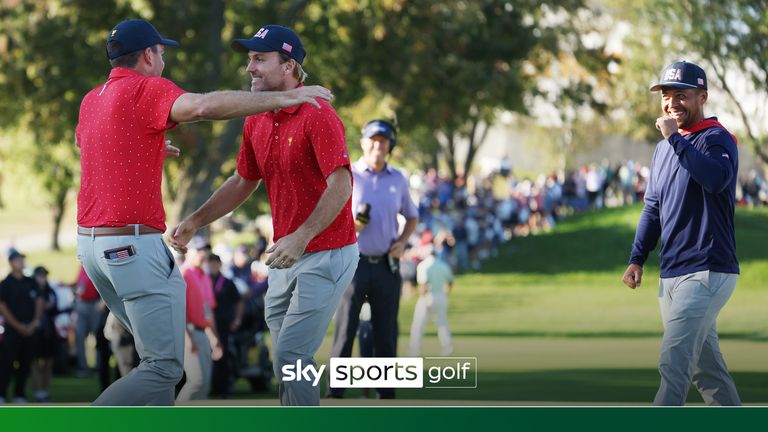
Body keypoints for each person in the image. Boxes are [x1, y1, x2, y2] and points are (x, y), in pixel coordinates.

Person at [74, 19, 332, 406]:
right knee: (163, 368)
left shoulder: (93, 99)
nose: (162, 61)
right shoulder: (148, 88)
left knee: (155, 366)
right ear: (148, 55)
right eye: (161, 53)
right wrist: (285, 98)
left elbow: (95, 150)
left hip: (91, 249)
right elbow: (203, 106)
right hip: (130, 248)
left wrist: (151, 151)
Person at [170, 24, 358, 406]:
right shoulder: (256, 117)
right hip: (284, 256)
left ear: (289, 65)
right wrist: (194, 221)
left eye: (260, 59)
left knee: (291, 357)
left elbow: (342, 185)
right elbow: (243, 181)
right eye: (249, 60)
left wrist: (302, 235)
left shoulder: (317, 114)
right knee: (283, 363)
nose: (250, 68)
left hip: (325, 252)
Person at [622, 61, 741, 406]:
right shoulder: (662, 149)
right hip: (671, 273)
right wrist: (637, 258)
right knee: (708, 373)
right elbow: (653, 208)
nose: (671, 103)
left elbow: (716, 179)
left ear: (702, 97)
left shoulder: (717, 138)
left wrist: (675, 138)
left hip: (707, 268)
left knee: (673, 364)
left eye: (681, 95)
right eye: (666, 95)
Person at [327, 119, 418, 399]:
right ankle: (335, 392)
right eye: (373, 141)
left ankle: (385, 392)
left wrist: (402, 242)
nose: (378, 146)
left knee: (385, 332)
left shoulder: (398, 179)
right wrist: (351, 227)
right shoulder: (348, 173)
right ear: (363, 143)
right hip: (353, 263)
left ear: (390, 147)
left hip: (386, 266)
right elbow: (327, 216)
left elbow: (412, 216)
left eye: (383, 142)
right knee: (345, 329)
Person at [176, 237, 221, 403]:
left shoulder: (205, 277)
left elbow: (208, 312)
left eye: (206, 250)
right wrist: (187, 338)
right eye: (199, 250)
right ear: (189, 251)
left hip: (203, 334)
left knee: (204, 385)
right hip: (189, 333)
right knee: (197, 381)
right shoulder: (183, 274)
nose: (204, 254)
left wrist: (214, 338)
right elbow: (177, 311)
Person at [0, 250, 43, 404]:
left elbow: (39, 301)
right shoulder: (5, 284)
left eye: (22, 260)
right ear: (11, 262)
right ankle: (2, 394)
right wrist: (18, 326)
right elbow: (2, 306)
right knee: (7, 363)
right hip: (13, 330)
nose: (21, 263)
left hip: (30, 328)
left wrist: (34, 323)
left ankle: (20, 394)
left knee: (26, 363)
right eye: (18, 260)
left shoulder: (30, 281)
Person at [208, 253, 244, 398]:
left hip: (224, 325)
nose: (212, 266)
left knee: (223, 356)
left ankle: (223, 389)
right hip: (208, 325)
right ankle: (211, 387)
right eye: (210, 263)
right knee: (209, 356)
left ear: (219, 264)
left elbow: (239, 302)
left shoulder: (227, 282)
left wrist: (237, 320)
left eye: (215, 263)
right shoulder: (204, 279)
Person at [409, 247, 454, 357]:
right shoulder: (443, 264)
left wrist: (424, 298)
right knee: (442, 323)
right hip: (440, 295)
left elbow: (423, 285)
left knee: (418, 324)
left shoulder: (423, 265)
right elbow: (450, 281)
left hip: (427, 296)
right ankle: (447, 347)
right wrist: (444, 293)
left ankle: (415, 351)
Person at [31, 266, 59, 403]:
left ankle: (45, 390)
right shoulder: (31, 291)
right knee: (35, 362)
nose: (42, 279)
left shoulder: (50, 291)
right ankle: (38, 392)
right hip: (35, 332)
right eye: (40, 276)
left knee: (48, 362)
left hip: (48, 332)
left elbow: (54, 308)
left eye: (44, 276)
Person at [72, 265, 101, 377]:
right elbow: (79, 284)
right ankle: (82, 367)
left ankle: (99, 367)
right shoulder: (82, 266)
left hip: (95, 304)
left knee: (98, 336)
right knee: (79, 336)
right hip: (81, 304)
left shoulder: (96, 263)